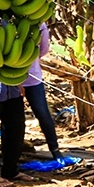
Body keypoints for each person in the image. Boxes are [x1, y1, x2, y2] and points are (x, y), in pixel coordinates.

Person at [23, 22, 63, 160]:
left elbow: (44, 50)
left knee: (40, 113)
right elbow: (43, 50)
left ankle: (54, 148)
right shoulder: (39, 24)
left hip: (27, 78)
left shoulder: (39, 25)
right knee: (40, 113)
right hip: (23, 78)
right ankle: (55, 149)